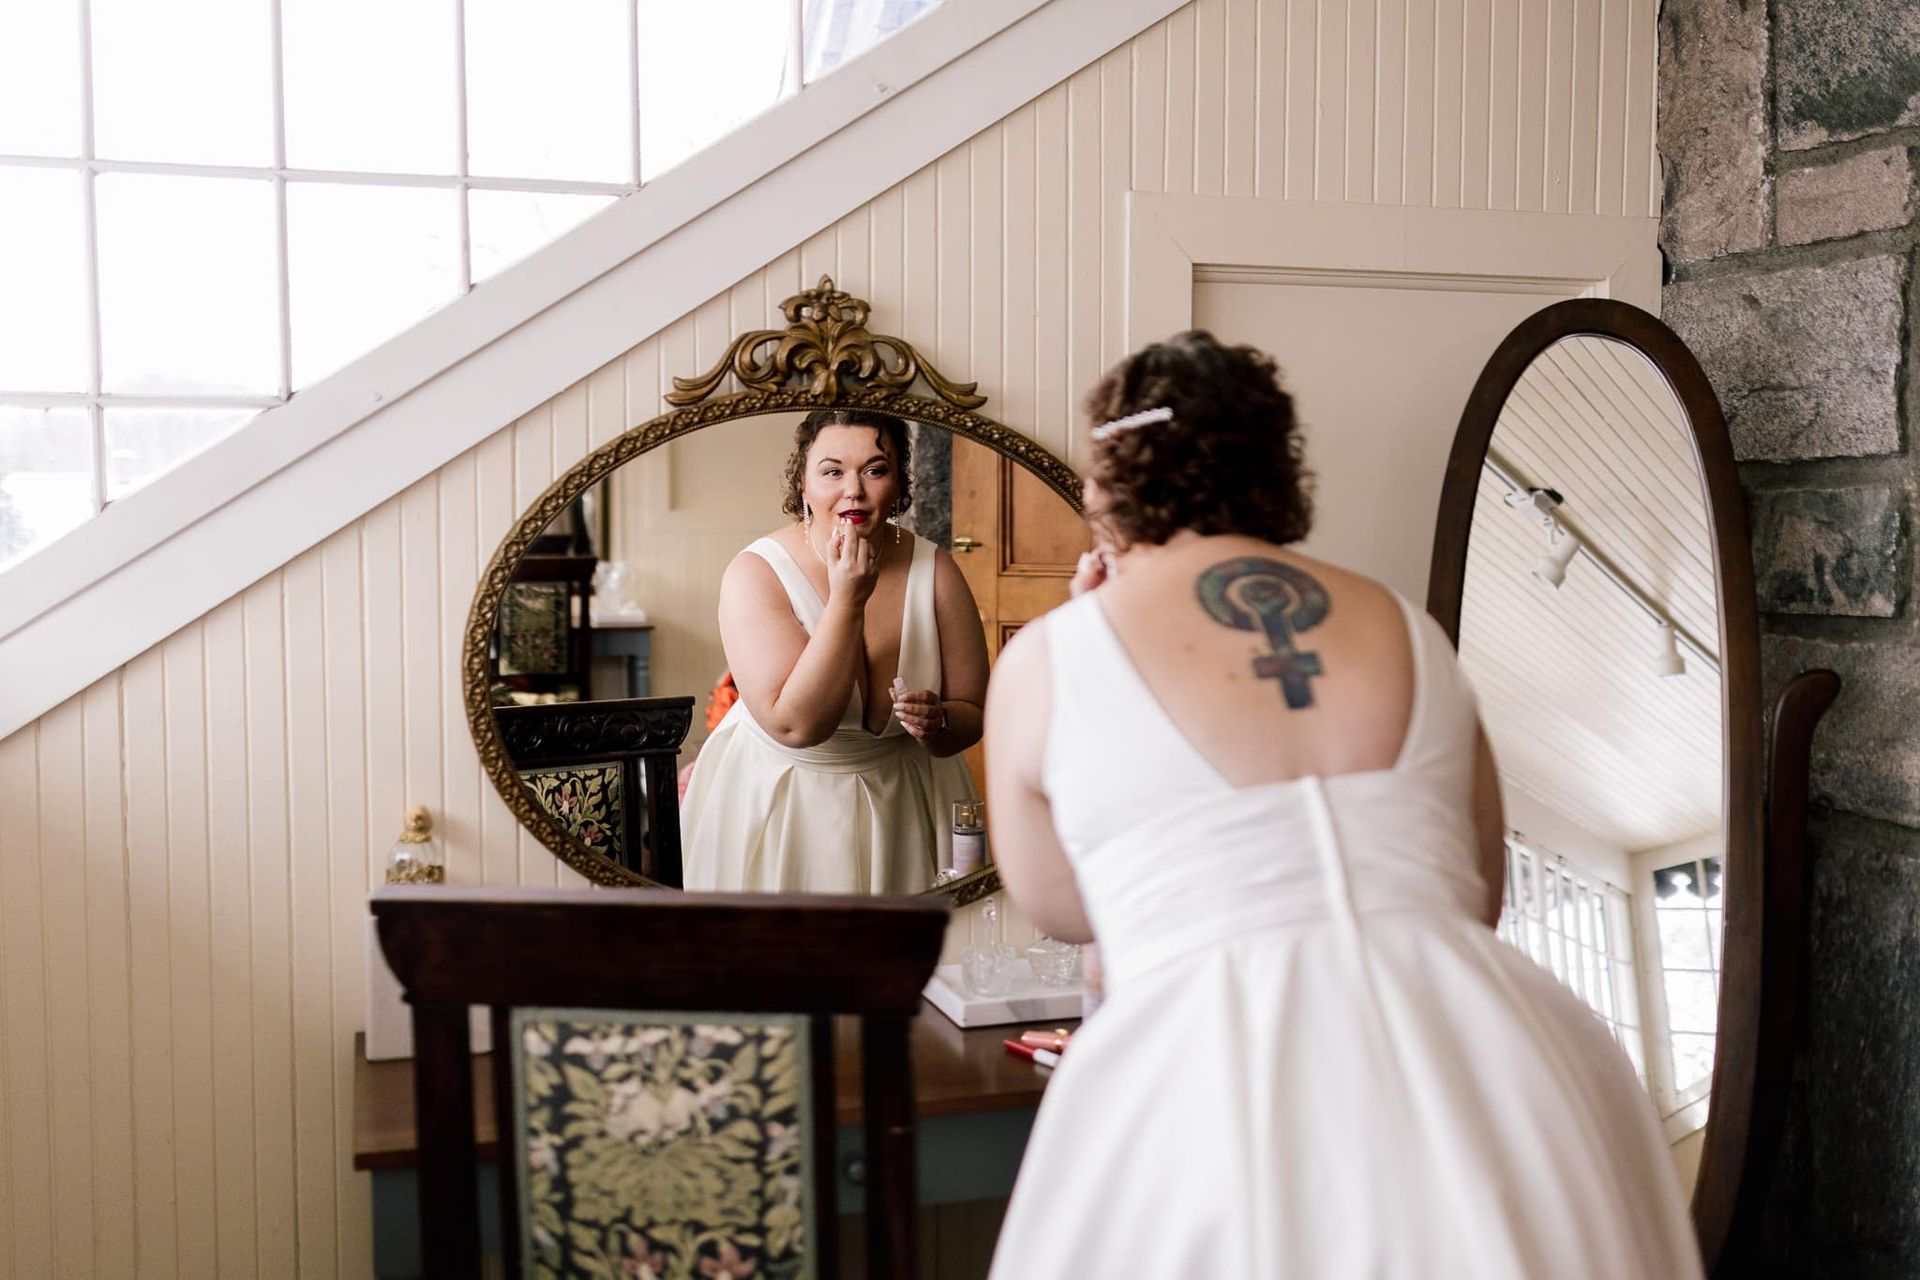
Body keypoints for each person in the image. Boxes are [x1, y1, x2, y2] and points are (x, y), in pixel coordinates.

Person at [983, 332, 1701, 1277]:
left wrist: (1091, 625)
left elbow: (1061, 904)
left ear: (1113, 480)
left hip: (1206, 1076)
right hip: (1482, 1061)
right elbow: (1479, 890)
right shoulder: (1408, 626)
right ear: (1275, 465)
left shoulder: (1054, 654)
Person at [680, 410, 987, 893]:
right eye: (832, 471)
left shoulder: (936, 569)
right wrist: (847, 600)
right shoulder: (755, 573)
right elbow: (796, 726)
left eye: (875, 470)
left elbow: (974, 712)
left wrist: (939, 721)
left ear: (900, 482)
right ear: (802, 482)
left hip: (909, 804)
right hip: (787, 804)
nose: (854, 491)